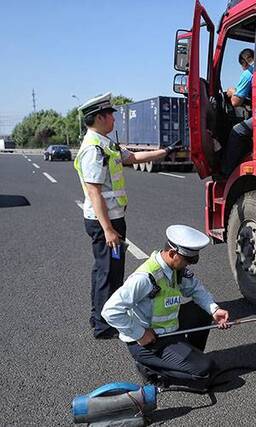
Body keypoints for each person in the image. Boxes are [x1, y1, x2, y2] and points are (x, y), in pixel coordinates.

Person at [74, 92, 182, 339]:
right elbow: (94, 193)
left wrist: (164, 151)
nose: (114, 119)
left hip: (112, 219)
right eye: (110, 115)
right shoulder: (93, 149)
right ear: (100, 117)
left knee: (105, 271)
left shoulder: (105, 144)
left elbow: (132, 158)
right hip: (106, 222)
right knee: (108, 273)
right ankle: (103, 326)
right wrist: (109, 230)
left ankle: (99, 316)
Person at [102, 225, 230, 390]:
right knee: (205, 373)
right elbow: (110, 310)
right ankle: (152, 371)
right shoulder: (146, 278)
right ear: (172, 254)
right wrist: (140, 334)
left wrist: (214, 310)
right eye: (188, 260)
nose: (189, 264)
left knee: (201, 311)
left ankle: (188, 358)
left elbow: (196, 289)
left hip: (169, 330)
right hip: (149, 341)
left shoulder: (176, 269)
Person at [223, 48, 254, 176]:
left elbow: (235, 102)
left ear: (244, 62)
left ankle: (228, 171)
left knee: (237, 131)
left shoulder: (248, 73)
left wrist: (232, 91)